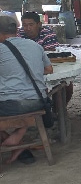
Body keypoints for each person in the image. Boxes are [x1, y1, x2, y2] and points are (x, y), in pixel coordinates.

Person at [0, 15, 53, 164]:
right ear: (17, 30)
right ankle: (17, 142)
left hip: (10, 104)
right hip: (37, 101)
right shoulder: (34, 45)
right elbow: (49, 69)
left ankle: (13, 141)